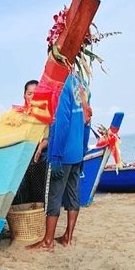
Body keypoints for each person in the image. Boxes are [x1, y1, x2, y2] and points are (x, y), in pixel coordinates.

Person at [28, 73, 90, 250]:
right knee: (72, 194)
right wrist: (83, 149)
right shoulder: (82, 84)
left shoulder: (62, 84)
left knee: (53, 195)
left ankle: (47, 241)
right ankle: (68, 237)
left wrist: (55, 156)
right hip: (77, 152)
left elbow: (61, 123)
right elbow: (87, 120)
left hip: (63, 154)